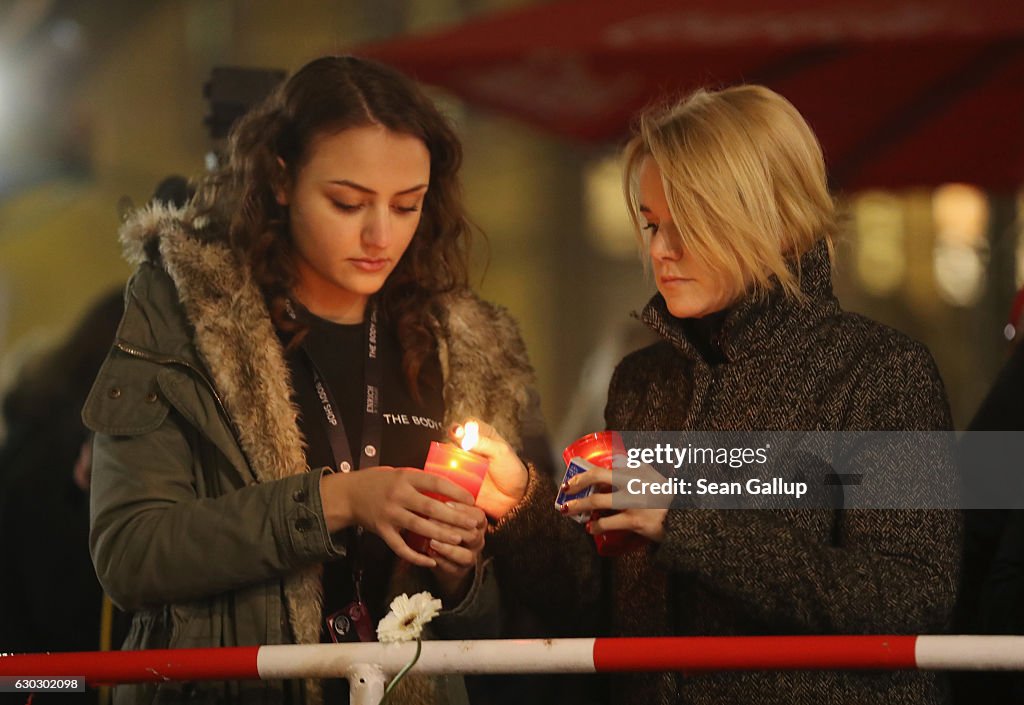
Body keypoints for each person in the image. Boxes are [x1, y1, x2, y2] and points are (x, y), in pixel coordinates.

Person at [85, 55, 543, 705]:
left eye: (407, 204)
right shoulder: (187, 312)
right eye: (347, 202)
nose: (381, 234)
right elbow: (130, 553)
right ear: (280, 177)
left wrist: (458, 570)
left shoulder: (461, 345)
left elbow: (487, 635)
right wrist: (341, 500)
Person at [487, 85, 962, 704]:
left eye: (688, 224)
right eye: (652, 223)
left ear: (776, 218)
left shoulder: (881, 372)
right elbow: (597, 608)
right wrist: (518, 505)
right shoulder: (641, 380)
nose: (659, 251)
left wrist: (683, 521)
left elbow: (910, 596)